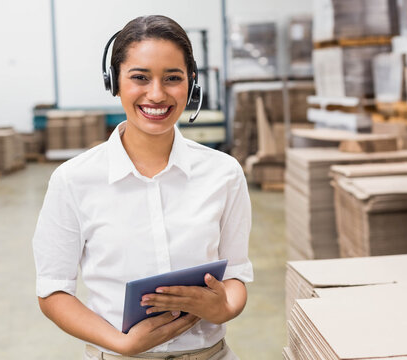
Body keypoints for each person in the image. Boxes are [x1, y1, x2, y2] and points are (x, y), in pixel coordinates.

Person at [32, 15, 253, 359]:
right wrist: (121, 343)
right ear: (114, 82)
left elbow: (236, 274)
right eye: (139, 77)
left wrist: (224, 308)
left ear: (191, 83)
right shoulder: (73, 179)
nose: (157, 94)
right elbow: (52, 291)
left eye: (172, 78)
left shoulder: (223, 172)